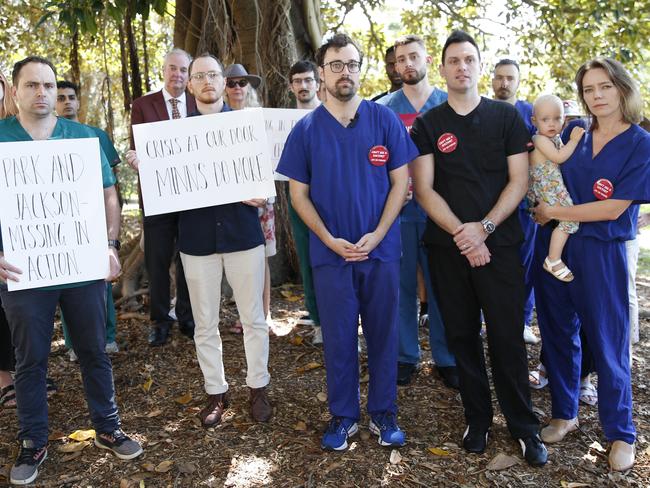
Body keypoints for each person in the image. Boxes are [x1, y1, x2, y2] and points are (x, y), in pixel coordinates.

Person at [0, 56, 142, 486]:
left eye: (47, 85)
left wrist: (112, 246)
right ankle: (33, 441)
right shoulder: (0, 141)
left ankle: (108, 427)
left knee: (94, 350)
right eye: (32, 86)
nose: (42, 93)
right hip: (24, 270)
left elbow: (108, 196)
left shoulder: (82, 138)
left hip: (80, 266)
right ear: (15, 91)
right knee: (31, 360)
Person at [410, 30, 547, 466]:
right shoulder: (430, 125)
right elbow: (424, 190)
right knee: (462, 337)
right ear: (443, 67)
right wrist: (463, 234)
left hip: (502, 246)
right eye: (454, 60)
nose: (462, 66)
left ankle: (524, 427)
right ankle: (478, 420)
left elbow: (519, 181)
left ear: (479, 65)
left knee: (506, 337)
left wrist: (483, 229)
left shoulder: (506, 118)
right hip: (448, 249)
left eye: (469, 59)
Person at [278, 33, 415, 451]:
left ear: (361, 69)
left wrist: (379, 233)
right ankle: (343, 416)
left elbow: (401, 182)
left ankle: (383, 412)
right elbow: (297, 195)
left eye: (352, 64)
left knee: (383, 332)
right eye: (336, 65)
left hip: (381, 251)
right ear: (321, 73)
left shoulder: (384, 120)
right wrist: (329, 239)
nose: (345, 72)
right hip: (331, 254)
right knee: (338, 337)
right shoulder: (305, 131)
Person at [126, 53, 272, 428]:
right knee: (205, 323)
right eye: (199, 76)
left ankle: (258, 388)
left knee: (253, 319)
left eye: (214, 75)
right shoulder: (172, 137)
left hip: (243, 234)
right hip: (196, 240)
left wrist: (264, 195)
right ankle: (215, 392)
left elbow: (265, 183)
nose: (207, 81)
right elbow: (163, 188)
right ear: (188, 86)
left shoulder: (246, 126)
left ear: (224, 82)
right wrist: (149, 167)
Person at [530, 57, 649, 472]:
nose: (596, 96)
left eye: (605, 87)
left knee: (609, 341)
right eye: (588, 89)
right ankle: (565, 413)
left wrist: (554, 212)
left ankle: (620, 432)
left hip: (602, 251)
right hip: (555, 248)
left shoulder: (639, 142)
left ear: (622, 89)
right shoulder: (573, 133)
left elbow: (615, 208)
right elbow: (545, 169)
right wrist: (541, 209)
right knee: (558, 332)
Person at [376, 34, 457, 388]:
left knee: (442, 284)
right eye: (400, 59)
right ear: (394, 66)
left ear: (427, 61)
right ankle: (405, 355)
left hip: (441, 211)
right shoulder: (383, 109)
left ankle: (447, 357)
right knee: (401, 286)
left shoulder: (448, 105)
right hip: (399, 212)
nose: (407, 64)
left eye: (413, 56)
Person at [128, 48, 196, 346]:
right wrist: (134, 157)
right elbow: (137, 146)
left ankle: (186, 316)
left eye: (183, 69)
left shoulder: (198, 103)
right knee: (156, 261)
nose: (177, 74)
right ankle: (159, 320)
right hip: (157, 196)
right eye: (172, 68)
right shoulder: (143, 105)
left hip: (194, 195)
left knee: (189, 258)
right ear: (164, 70)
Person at [56, 80, 120, 359]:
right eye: (61, 97)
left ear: (78, 102)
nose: (67, 101)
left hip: (92, 218)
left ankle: (108, 337)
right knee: (67, 281)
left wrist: (111, 230)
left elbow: (110, 186)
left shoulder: (97, 136)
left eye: (71, 97)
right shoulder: (43, 138)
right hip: (59, 220)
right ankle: (72, 344)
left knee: (100, 281)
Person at [223, 63, 276, 333]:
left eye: (241, 83)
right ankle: (245, 315)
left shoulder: (260, 118)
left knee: (261, 255)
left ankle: (263, 314)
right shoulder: (216, 118)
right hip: (227, 199)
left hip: (259, 197)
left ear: (248, 87)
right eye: (231, 83)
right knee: (236, 256)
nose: (236, 88)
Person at [492, 58, 538, 345]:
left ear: (518, 81)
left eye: (510, 78)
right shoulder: (484, 111)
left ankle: (523, 320)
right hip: (491, 202)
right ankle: (493, 317)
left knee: (525, 263)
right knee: (494, 264)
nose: (504, 83)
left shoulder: (531, 113)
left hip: (524, 205)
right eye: (499, 77)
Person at [528, 94, 584, 282]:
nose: (552, 124)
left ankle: (554, 257)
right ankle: (553, 259)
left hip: (551, 187)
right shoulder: (539, 139)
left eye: (557, 118)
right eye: (545, 120)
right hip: (546, 189)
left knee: (566, 220)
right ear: (534, 121)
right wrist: (574, 141)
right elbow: (559, 157)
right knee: (571, 219)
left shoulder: (553, 138)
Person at [287, 60, 323, 344]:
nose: (303, 85)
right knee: (308, 258)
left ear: (317, 83)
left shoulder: (331, 114)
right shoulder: (281, 122)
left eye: (308, 80)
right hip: (298, 196)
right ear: (291, 86)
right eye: (297, 81)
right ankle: (319, 320)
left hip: (330, 196)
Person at [0, 70, 18, 410]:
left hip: (18, 231)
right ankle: (3, 378)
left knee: (17, 307)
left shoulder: (17, 130)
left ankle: (25, 370)